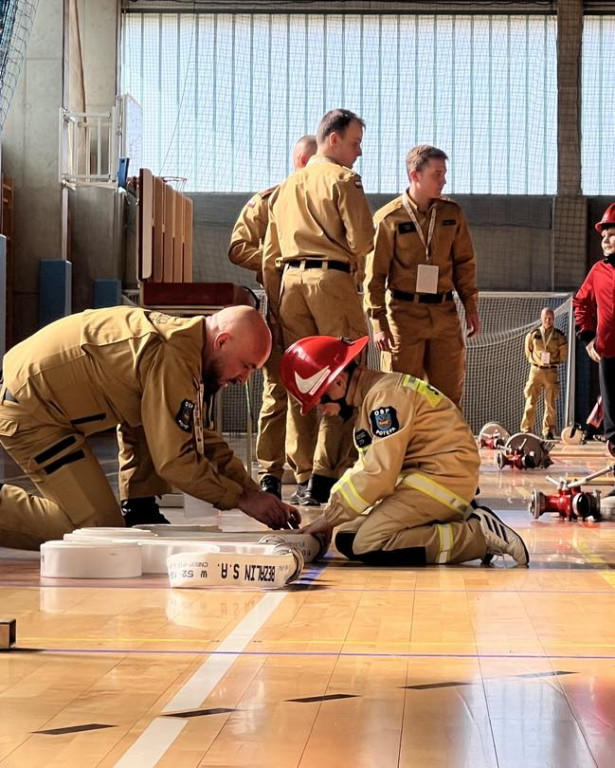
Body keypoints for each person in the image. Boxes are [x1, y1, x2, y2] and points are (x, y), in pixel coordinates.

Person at [0, 305, 300, 551]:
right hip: (32, 411)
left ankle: (139, 508)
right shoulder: (173, 356)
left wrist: (255, 493)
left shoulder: (185, 346)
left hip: (40, 398)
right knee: (97, 531)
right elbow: (176, 461)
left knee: (153, 423)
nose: (244, 379)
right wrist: (243, 499)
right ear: (222, 342)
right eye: (246, 366)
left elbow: (197, 436)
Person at [280, 336, 529, 567]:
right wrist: (332, 517)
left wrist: (329, 518)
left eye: (321, 398)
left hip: (441, 480)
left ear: (338, 380)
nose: (322, 408)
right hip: (431, 478)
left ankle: (477, 536)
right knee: (347, 536)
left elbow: (379, 475)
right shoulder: (375, 396)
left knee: (367, 543)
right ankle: (460, 520)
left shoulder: (384, 398)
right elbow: (366, 468)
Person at [262, 108, 374, 507]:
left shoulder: (286, 187)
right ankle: (325, 478)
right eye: (355, 142)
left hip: (289, 285)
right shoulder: (343, 180)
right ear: (333, 140)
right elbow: (363, 240)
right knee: (344, 376)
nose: (359, 152)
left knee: (302, 380)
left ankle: (303, 472)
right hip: (331, 283)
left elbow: (269, 253)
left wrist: (276, 305)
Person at [228, 136, 318, 502]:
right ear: (300, 160)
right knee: (276, 392)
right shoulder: (269, 200)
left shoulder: (330, 201)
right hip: (280, 307)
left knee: (313, 391)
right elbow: (238, 247)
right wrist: (279, 260)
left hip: (318, 309)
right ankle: (270, 471)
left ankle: (310, 471)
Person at [364, 145, 479, 406]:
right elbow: (374, 276)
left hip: (445, 312)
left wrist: (470, 306)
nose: (444, 180)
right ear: (415, 175)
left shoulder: (452, 214)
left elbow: (465, 263)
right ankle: (402, 446)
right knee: (401, 391)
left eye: (444, 173)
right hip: (403, 315)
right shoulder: (388, 218)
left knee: (448, 393)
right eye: (437, 174)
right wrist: (379, 324)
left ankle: (447, 446)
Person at [574, 203, 615, 478]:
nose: (605, 239)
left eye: (611, 234)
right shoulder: (598, 271)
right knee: (614, 425)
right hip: (609, 357)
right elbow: (581, 304)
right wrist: (588, 338)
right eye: (603, 235)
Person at [520, 307, 568, 439]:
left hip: (551, 371)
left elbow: (563, 354)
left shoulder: (559, 336)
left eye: (551, 318)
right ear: (541, 318)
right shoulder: (533, 334)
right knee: (530, 401)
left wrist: (553, 362)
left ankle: (548, 430)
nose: (548, 320)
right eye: (546, 318)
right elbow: (528, 350)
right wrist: (535, 361)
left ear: (554, 318)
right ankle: (527, 429)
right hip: (535, 370)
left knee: (550, 403)